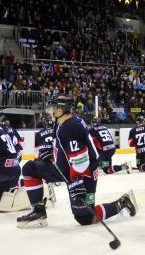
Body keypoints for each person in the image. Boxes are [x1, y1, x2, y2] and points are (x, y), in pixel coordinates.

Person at [16, 96, 137, 227]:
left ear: (62, 110)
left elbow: (81, 161)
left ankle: (122, 203)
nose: (50, 111)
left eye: (54, 109)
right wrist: (51, 152)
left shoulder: (71, 126)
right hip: (67, 169)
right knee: (30, 168)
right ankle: (38, 210)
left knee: (85, 218)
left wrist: (76, 184)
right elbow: (65, 146)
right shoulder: (63, 122)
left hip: (85, 173)